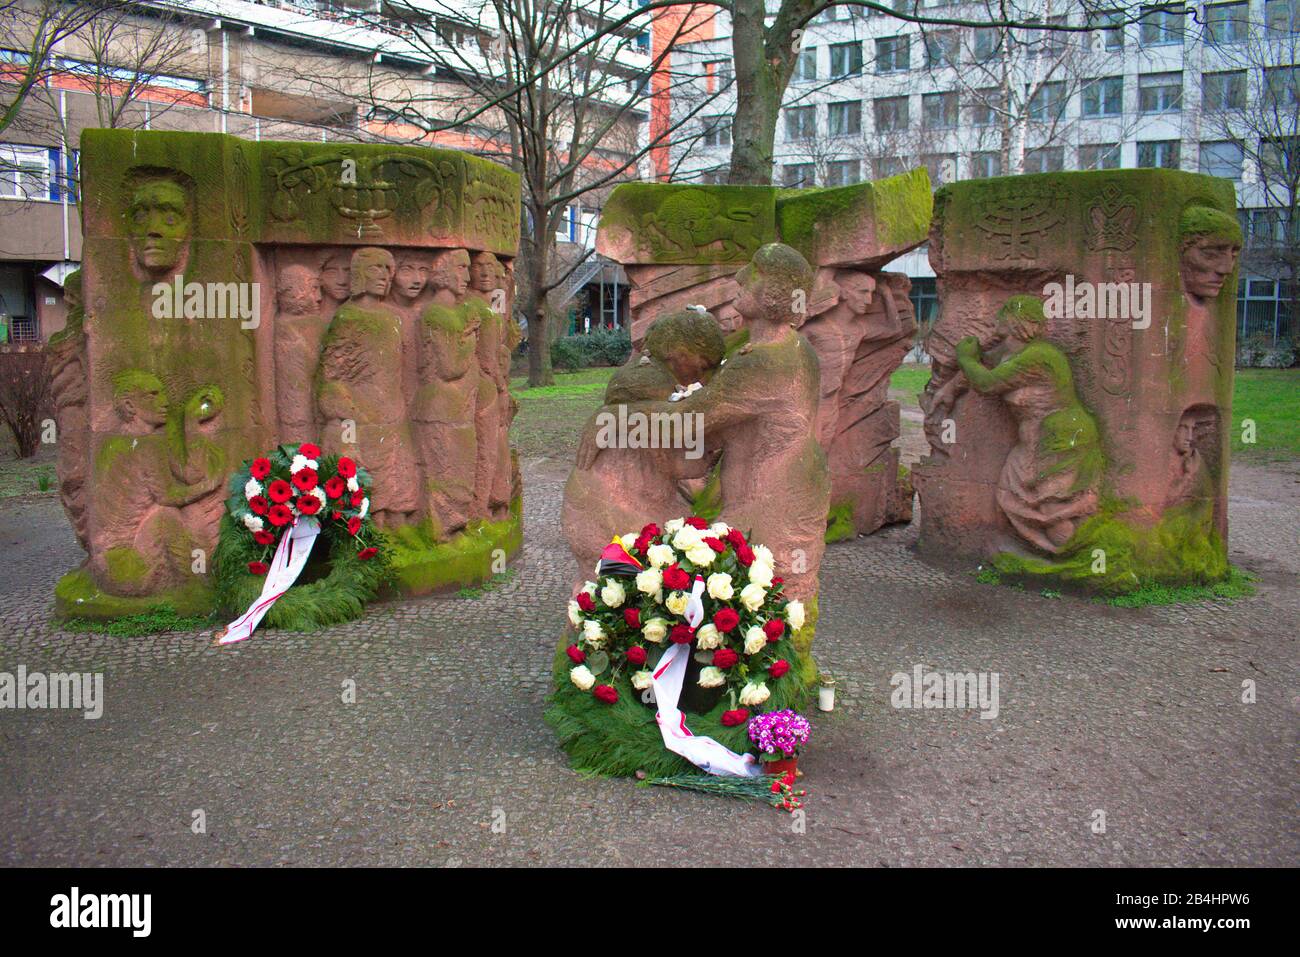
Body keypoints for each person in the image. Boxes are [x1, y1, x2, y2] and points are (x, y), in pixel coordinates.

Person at [954, 295, 1103, 554]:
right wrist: (948, 390)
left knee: (1046, 505)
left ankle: (1066, 547)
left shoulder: (1039, 356)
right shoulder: (1018, 353)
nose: (996, 318)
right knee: (1011, 493)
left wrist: (965, 358)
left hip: (1060, 437)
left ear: (1013, 321)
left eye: (1002, 314)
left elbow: (987, 383)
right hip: (1041, 437)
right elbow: (988, 364)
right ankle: (1042, 546)